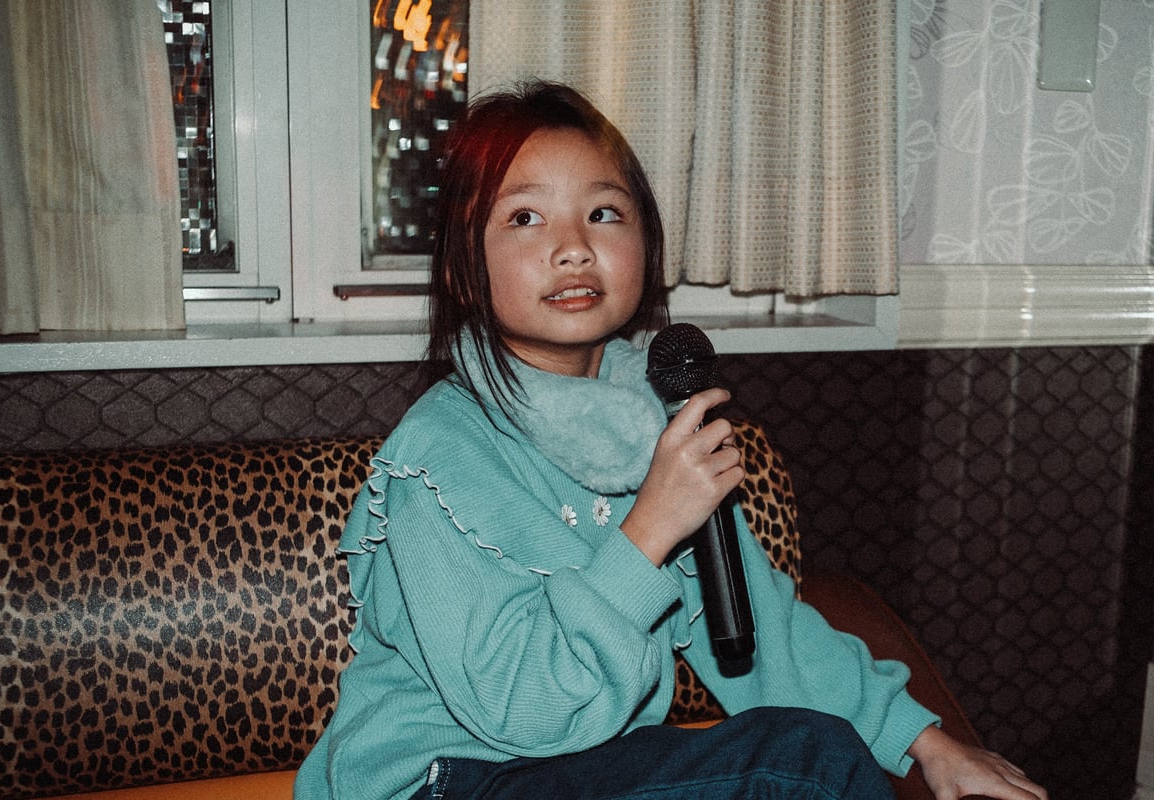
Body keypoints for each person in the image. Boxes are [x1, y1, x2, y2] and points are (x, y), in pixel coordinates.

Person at [294, 80, 1047, 800]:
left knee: (809, 752)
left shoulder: (654, 425)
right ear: (465, 269)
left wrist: (929, 745)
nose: (573, 247)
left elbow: (765, 636)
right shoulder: (439, 455)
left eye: (604, 213)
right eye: (525, 218)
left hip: (590, 769)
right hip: (440, 780)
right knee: (804, 768)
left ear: (647, 244)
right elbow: (523, 712)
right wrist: (650, 527)